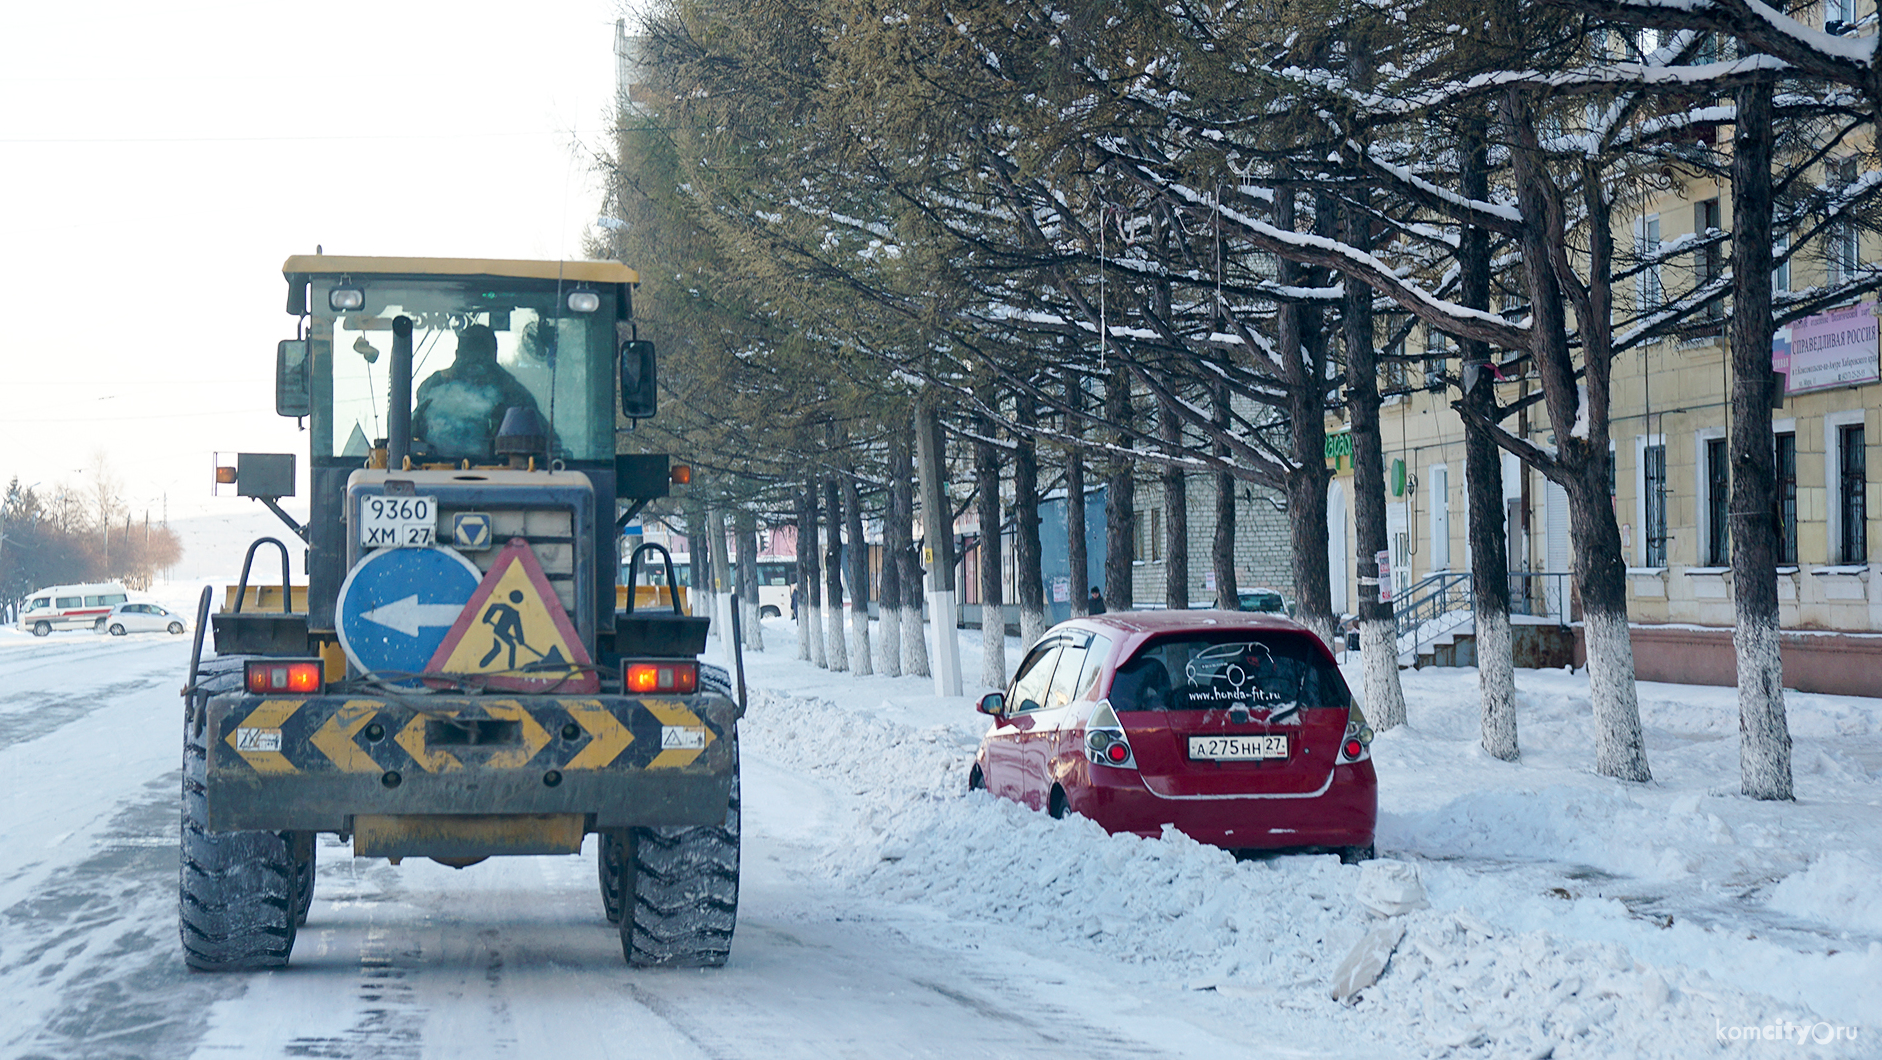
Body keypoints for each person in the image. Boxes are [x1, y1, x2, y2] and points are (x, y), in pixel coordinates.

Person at [412, 324, 546, 461]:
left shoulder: (513, 394)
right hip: (428, 468)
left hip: (502, 471)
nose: (473, 363)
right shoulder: (433, 387)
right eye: (469, 353)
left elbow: (544, 444)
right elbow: (411, 433)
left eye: (479, 355)